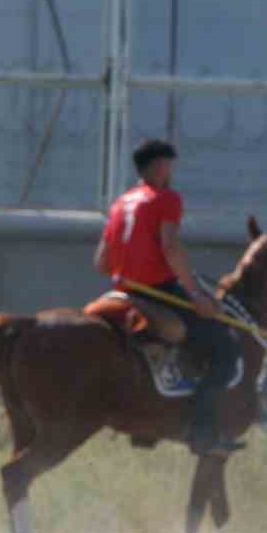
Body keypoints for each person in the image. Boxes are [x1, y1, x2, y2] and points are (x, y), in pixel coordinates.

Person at [95, 138, 239, 455]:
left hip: (122, 291)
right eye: (169, 165)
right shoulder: (166, 199)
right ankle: (203, 432)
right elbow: (171, 248)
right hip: (158, 292)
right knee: (224, 350)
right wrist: (197, 294)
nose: (171, 172)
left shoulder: (120, 204)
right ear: (160, 166)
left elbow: (102, 262)